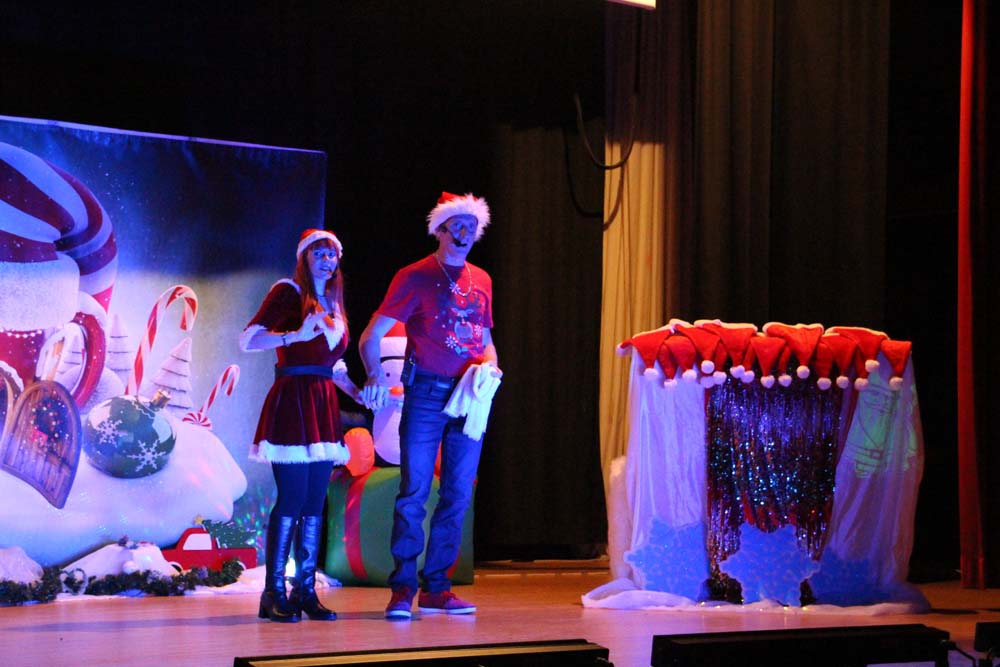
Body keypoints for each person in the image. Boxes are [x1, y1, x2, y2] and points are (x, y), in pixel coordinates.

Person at [359, 192, 501, 620]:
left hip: (469, 396)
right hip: (425, 394)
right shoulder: (415, 276)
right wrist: (373, 374)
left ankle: (437, 588)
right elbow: (371, 336)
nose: (464, 233)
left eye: (471, 226)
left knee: (457, 492)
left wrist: (492, 368)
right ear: (440, 229)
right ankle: (403, 588)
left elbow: (486, 341)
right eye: (456, 225)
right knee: (414, 492)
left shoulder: (482, 279)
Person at [240, 228, 363, 623]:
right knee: (292, 498)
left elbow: (332, 364)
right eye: (319, 253)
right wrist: (294, 335)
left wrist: (358, 393)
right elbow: (249, 339)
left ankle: (305, 590)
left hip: (323, 403)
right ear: (304, 258)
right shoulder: (288, 292)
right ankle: (273, 593)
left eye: (332, 254)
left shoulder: (333, 303)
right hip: (293, 401)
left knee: (314, 501)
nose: (327, 261)